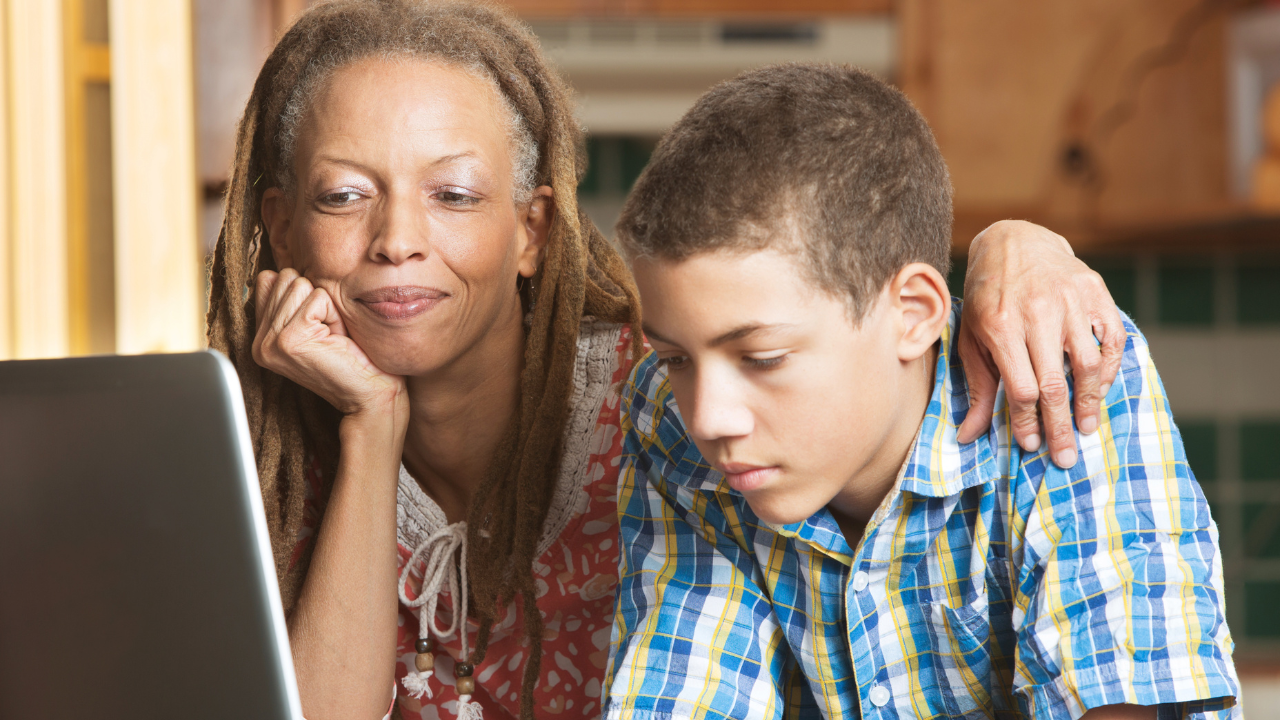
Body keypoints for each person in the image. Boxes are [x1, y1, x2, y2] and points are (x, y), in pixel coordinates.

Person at [204, 2, 1125, 718]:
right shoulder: (252, 450)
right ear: (279, 225)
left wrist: (1016, 241)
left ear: (532, 230)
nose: (396, 238)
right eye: (342, 196)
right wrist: (371, 426)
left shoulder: (673, 409)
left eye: (454, 193)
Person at [607, 64, 1238, 719]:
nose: (709, 418)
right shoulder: (669, 417)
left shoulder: (1063, 371)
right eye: (675, 358)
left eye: (762, 358)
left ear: (912, 315)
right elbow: (683, 690)